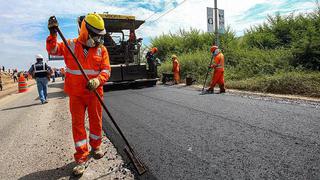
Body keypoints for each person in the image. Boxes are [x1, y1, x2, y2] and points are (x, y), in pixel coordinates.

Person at [46, 13, 111, 176]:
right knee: (78, 125)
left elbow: (106, 70)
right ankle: (81, 158)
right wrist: (53, 34)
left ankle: (96, 146)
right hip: (76, 95)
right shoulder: (70, 45)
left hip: (95, 93)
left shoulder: (101, 50)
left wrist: (98, 80)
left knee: (96, 120)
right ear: (85, 31)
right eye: (95, 35)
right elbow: (53, 49)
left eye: (100, 35)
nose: (98, 39)